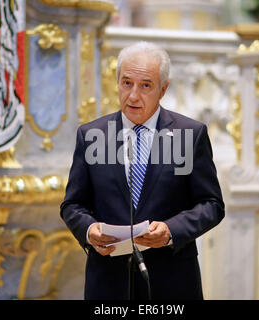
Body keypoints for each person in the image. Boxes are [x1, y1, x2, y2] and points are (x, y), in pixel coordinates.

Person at [60, 41, 225, 300]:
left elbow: (212, 205)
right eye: (127, 83)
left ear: (163, 90)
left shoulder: (190, 135)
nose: (133, 95)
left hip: (171, 282)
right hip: (109, 283)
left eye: (145, 85)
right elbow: (72, 205)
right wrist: (90, 231)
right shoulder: (91, 135)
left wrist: (171, 230)